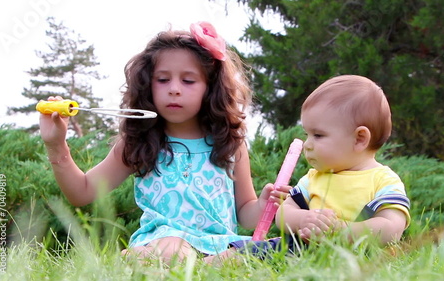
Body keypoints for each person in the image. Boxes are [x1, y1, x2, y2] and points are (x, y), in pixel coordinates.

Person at [39, 21, 289, 264]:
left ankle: (208, 263)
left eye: (188, 81)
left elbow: (244, 214)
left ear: (210, 87)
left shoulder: (231, 144)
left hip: (220, 244)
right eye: (163, 79)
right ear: (147, 85)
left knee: (279, 247)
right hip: (165, 243)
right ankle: (197, 265)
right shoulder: (139, 142)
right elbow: (81, 192)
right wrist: (56, 145)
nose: (174, 89)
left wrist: (262, 206)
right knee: (172, 249)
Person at [274, 75, 411, 249]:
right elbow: (282, 214)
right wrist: (302, 219)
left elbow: (391, 228)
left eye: (318, 135)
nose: (307, 145)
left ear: (359, 139)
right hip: (302, 249)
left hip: (359, 259)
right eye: (306, 134)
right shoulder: (312, 178)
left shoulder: (383, 181)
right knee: (241, 252)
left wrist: (340, 231)